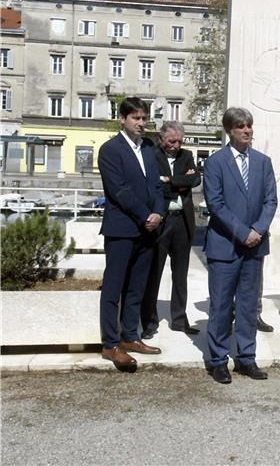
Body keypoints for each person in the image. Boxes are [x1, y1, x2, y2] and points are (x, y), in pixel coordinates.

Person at [203, 107, 277, 384]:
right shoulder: (215, 163)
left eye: (249, 126)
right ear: (229, 131)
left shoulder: (263, 162)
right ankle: (218, 360)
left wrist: (258, 229)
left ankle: (246, 358)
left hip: (254, 247)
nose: (247, 130)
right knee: (221, 306)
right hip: (225, 247)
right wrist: (243, 232)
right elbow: (216, 204)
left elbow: (271, 200)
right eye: (241, 127)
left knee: (247, 306)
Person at [97, 97, 165, 369]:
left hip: (148, 229)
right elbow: (119, 190)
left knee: (137, 287)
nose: (141, 123)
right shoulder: (110, 150)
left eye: (144, 118)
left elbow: (158, 186)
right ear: (122, 119)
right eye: (135, 118)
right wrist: (144, 215)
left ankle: (129, 336)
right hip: (122, 229)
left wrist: (158, 213)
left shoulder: (149, 148)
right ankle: (110, 344)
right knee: (114, 288)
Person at [141, 121, 202, 339]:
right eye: (171, 141)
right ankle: (149, 321)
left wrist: (169, 180)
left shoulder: (186, 156)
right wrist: (177, 183)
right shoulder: (151, 155)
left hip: (182, 222)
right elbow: (154, 186)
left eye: (179, 141)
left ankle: (179, 319)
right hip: (161, 221)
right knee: (153, 273)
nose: (176, 145)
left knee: (180, 274)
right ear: (161, 139)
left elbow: (195, 179)